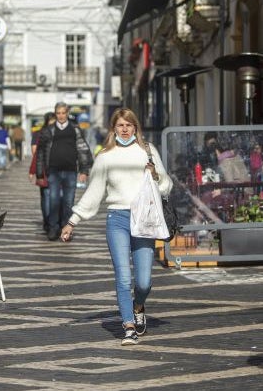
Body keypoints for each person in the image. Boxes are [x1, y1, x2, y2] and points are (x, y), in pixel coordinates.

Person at [59, 108, 171, 345]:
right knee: (123, 277)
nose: (125, 129)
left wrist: (155, 176)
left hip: (144, 219)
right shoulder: (105, 157)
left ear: (135, 127)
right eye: (120, 125)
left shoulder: (147, 152)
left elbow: (166, 185)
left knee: (144, 282)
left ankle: (139, 306)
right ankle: (128, 325)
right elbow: (94, 192)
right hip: (117, 219)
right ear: (113, 128)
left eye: (129, 125)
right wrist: (73, 221)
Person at [36, 102, 93, 240]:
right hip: (53, 171)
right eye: (58, 113)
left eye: (63, 113)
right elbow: (40, 153)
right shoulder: (48, 130)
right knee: (54, 201)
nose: (61, 116)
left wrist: (84, 170)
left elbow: (82, 149)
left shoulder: (75, 129)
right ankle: (53, 228)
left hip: (71, 171)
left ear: (67, 113)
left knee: (68, 202)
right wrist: (39, 173)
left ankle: (66, 230)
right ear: (56, 114)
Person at [29, 112, 57, 233]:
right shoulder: (41, 134)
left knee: (48, 198)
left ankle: (49, 222)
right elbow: (36, 153)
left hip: (50, 171)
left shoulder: (39, 133)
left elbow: (35, 152)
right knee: (50, 197)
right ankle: (51, 222)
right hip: (49, 171)